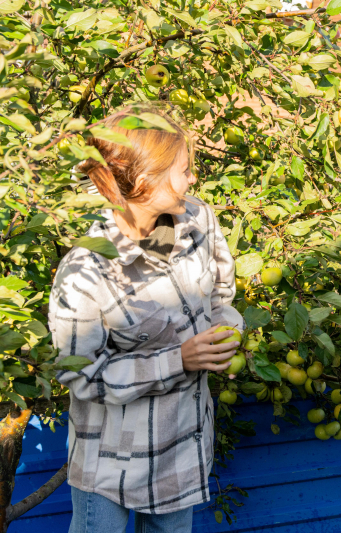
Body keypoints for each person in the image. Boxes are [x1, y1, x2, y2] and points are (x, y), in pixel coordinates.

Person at [49, 107, 243, 533]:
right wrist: (179, 360)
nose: (192, 180)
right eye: (183, 171)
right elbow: (82, 376)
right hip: (111, 466)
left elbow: (220, 297)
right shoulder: (88, 268)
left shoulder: (197, 221)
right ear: (143, 181)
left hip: (180, 452)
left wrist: (227, 335)